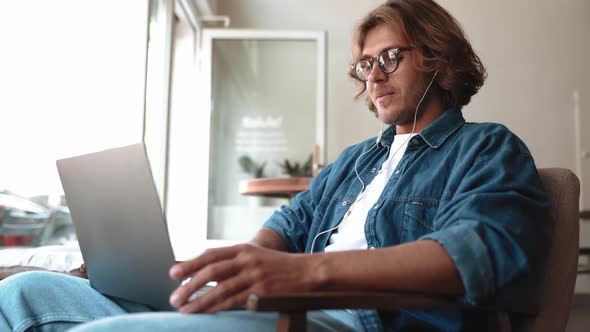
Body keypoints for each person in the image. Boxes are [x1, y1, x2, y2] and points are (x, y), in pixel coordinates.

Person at [0, 0, 549, 331]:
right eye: (365, 64)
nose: (374, 76)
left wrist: (305, 274)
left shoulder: (487, 149)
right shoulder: (355, 163)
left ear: (437, 57)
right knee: (21, 294)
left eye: (390, 58)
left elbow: (473, 254)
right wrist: (219, 273)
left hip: (359, 319)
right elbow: (288, 225)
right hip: (285, 307)